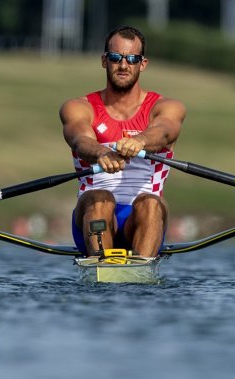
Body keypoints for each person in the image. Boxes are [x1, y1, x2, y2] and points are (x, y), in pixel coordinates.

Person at [60, 25, 186, 258]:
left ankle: (142, 267)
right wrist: (100, 153)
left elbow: (164, 132)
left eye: (132, 59)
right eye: (116, 57)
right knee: (100, 199)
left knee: (150, 203)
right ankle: (102, 265)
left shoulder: (167, 107)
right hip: (92, 217)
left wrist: (140, 141)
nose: (123, 65)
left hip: (145, 219)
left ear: (143, 64)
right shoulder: (79, 107)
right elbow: (80, 140)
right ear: (104, 61)